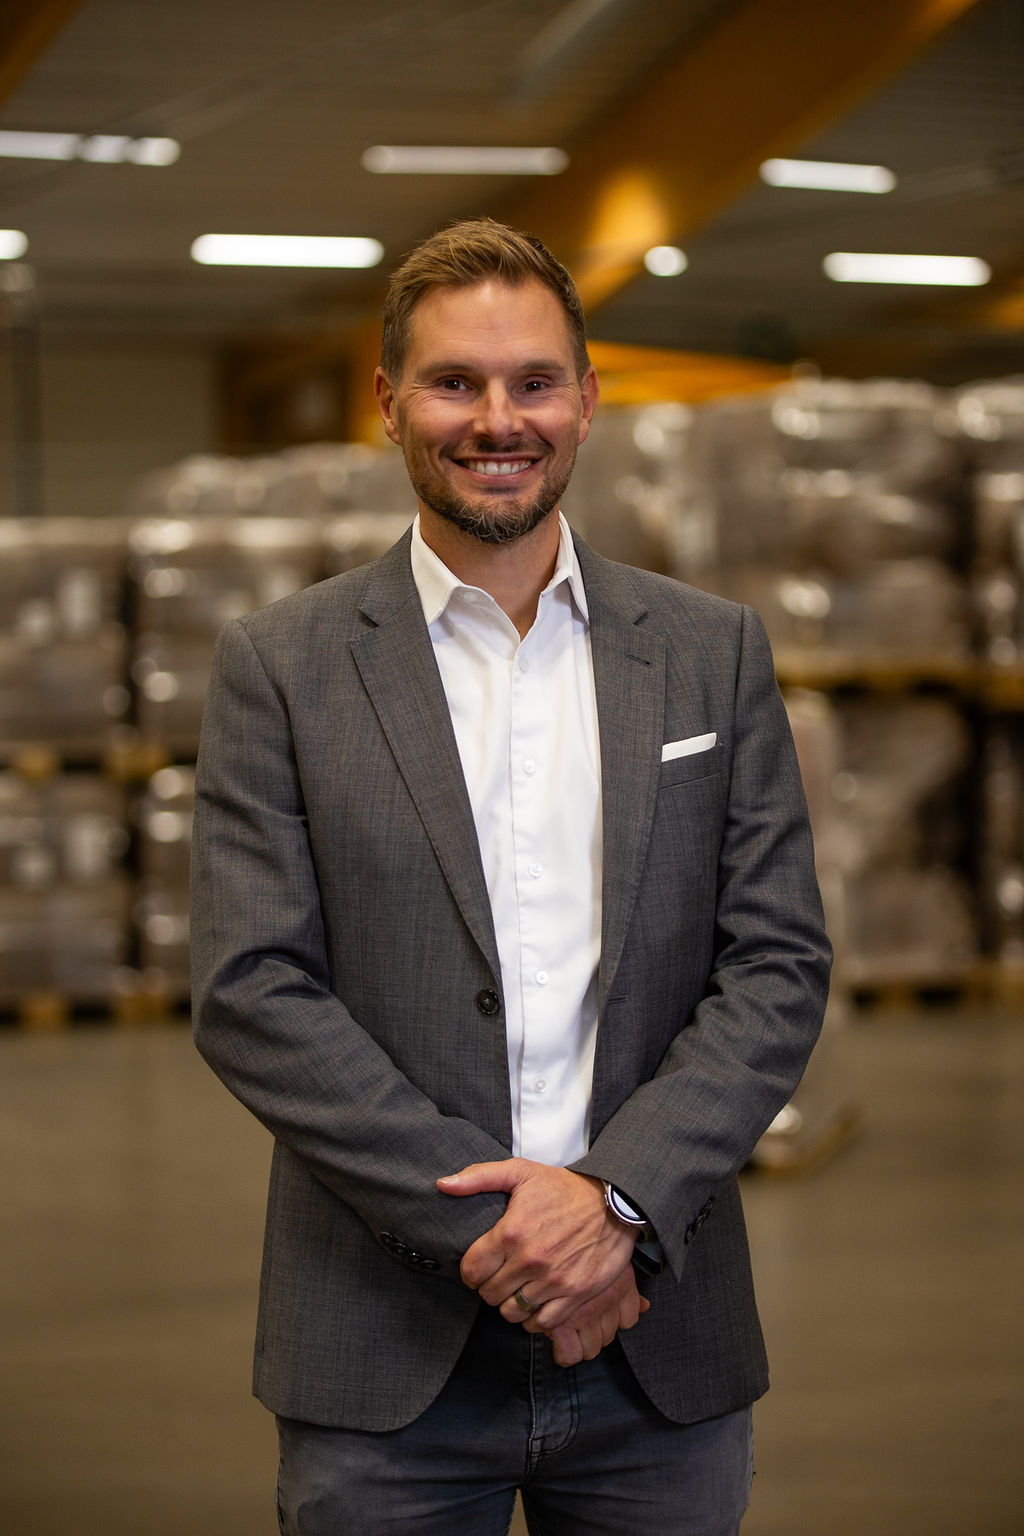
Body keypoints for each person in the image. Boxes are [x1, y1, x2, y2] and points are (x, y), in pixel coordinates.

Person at [190, 216, 831, 1535]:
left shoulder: (710, 653)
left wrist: (615, 1202)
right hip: (384, 1349)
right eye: (455, 382)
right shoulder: (282, 667)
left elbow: (776, 963)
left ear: (586, 402)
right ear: (389, 404)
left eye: (534, 381)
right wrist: (513, 1238)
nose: (499, 419)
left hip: (659, 1337)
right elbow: (253, 990)